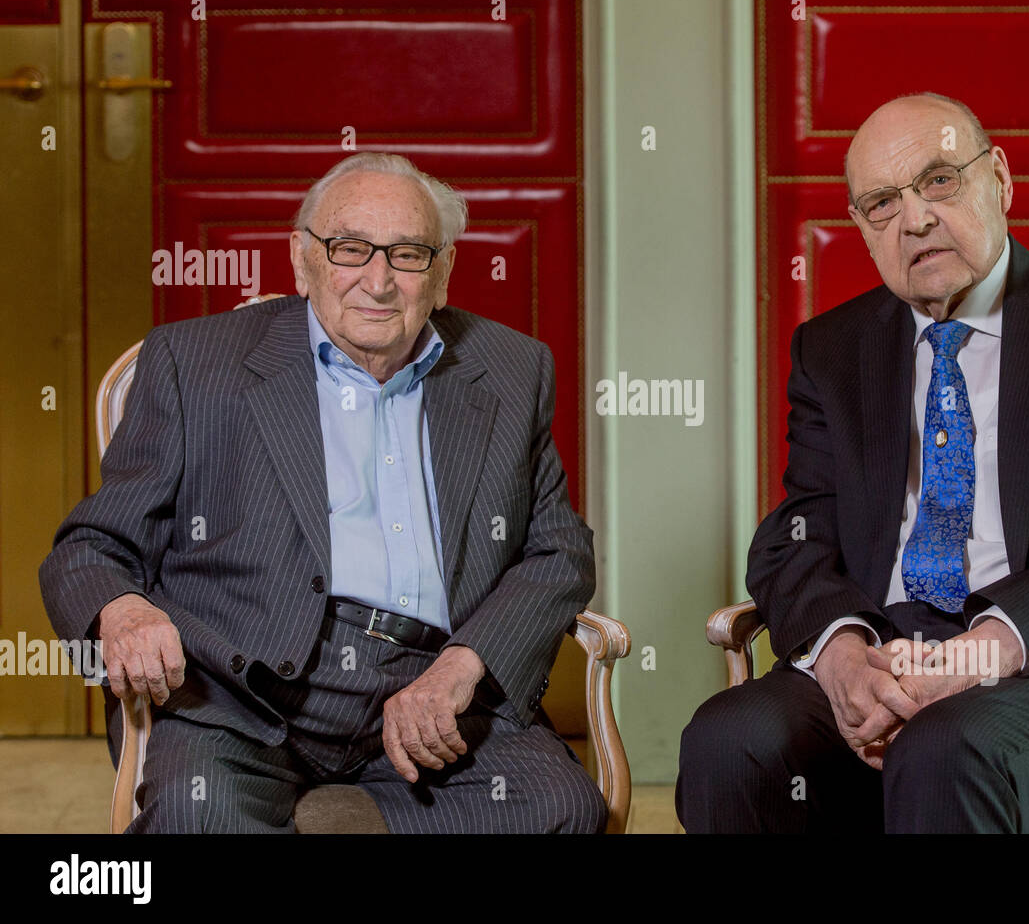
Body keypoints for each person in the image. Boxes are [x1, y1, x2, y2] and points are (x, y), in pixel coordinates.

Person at [676, 92, 1029, 833]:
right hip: (886, 645)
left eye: (938, 180)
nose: (916, 218)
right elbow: (797, 532)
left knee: (942, 751)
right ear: (862, 228)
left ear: (998, 177)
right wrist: (841, 654)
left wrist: (980, 652)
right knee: (728, 739)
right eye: (881, 202)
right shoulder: (833, 351)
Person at [40, 152, 606, 833]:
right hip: (236, 694)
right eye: (349, 249)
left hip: (431, 692)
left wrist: (463, 664)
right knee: (200, 814)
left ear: (445, 271)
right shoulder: (194, 363)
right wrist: (124, 611)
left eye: (407, 254)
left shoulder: (511, 369)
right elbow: (91, 544)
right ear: (301, 259)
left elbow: (558, 549)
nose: (378, 280)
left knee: (562, 809)